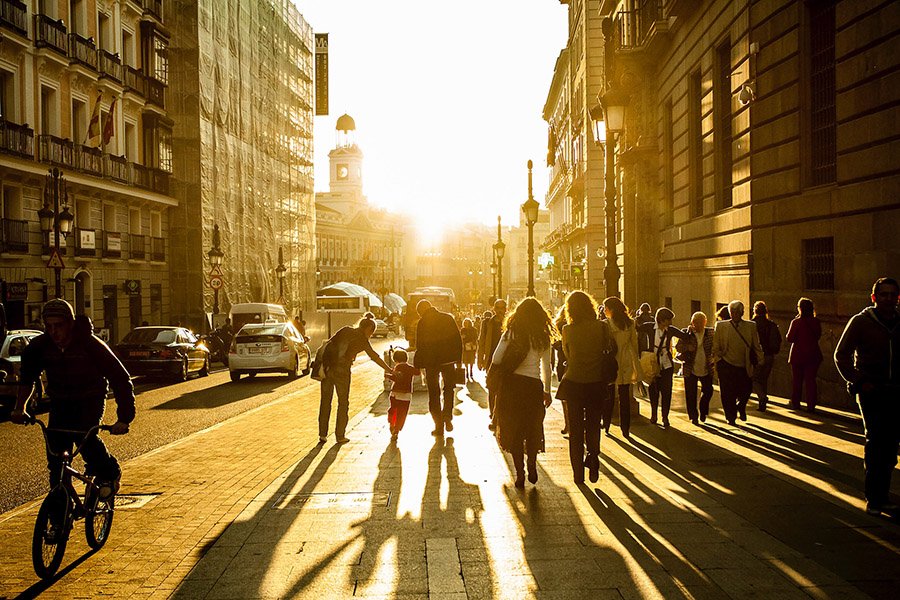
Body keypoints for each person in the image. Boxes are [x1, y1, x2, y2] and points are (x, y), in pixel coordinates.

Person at [11, 300, 134, 511]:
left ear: (70, 324)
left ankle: (110, 473)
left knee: (85, 437)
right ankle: (59, 515)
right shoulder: (40, 347)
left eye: (58, 325)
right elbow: (27, 378)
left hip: (90, 398)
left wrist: (123, 418)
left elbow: (120, 379)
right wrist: (19, 407)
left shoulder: (90, 345)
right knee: (56, 458)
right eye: (48, 326)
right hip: (60, 400)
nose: (53, 332)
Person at [834, 277, 900, 516]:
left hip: (897, 392)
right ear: (874, 298)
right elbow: (841, 356)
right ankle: (875, 498)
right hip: (873, 393)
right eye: (884, 294)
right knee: (876, 443)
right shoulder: (861, 322)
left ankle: (883, 494)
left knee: (891, 447)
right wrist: (861, 381)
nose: (889, 299)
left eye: (893, 295)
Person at [491, 298, 555, 488]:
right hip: (533, 387)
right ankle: (532, 464)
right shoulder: (542, 336)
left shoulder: (511, 332)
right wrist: (547, 391)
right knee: (532, 428)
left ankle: (520, 473)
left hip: (512, 387)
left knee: (515, 430)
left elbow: (496, 358)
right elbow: (547, 368)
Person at [559, 291, 615, 484]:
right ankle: (593, 457)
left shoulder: (567, 329)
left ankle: (577, 475)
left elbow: (568, 355)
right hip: (595, 383)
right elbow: (607, 349)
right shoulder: (602, 327)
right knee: (593, 425)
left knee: (575, 429)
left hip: (573, 383)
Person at [318, 317, 391, 444]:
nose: (371, 335)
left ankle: (322, 434)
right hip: (342, 371)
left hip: (328, 369)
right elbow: (374, 356)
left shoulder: (345, 330)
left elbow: (329, 344)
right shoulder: (362, 339)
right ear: (368, 329)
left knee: (325, 401)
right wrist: (389, 369)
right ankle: (340, 436)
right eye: (371, 332)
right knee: (343, 403)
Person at [413, 300, 463, 437]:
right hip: (448, 361)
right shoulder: (448, 318)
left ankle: (438, 425)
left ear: (421, 311)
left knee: (434, 393)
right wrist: (459, 360)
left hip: (431, 364)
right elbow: (457, 339)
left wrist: (419, 364)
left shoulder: (423, 322)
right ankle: (447, 416)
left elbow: (420, 345)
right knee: (449, 389)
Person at [637, 307, 689, 429]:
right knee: (653, 390)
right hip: (652, 363)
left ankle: (665, 417)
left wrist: (690, 330)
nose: (670, 322)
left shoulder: (670, 330)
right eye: (668, 320)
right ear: (662, 320)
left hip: (666, 364)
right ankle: (654, 414)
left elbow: (684, 336)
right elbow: (637, 328)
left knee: (667, 391)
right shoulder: (650, 327)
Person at [712, 300, 762, 425]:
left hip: (743, 365)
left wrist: (760, 359)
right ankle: (730, 416)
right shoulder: (721, 326)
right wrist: (718, 359)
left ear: (742, 312)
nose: (734, 314)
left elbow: (756, 345)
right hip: (726, 364)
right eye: (732, 312)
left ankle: (741, 406)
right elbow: (715, 345)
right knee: (727, 393)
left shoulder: (751, 326)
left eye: (737, 312)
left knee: (746, 390)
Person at [603, 297, 641, 438]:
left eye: (606, 307)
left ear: (611, 309)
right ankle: (626, 427)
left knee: (609, 394)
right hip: (626, 360)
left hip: (611, 361)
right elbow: (634, 344)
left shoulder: (606, 324)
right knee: (624, 396)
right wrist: (635, 362)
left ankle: (606, 423)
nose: (605, 310)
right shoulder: (630, 324)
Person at [675, 311, 715, 425]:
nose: (697, 325)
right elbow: (678, 347)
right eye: (695, 322)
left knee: (708, 390)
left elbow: (716, 345)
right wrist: (687, 347)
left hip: (706, 367)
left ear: (705, 322)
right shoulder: (686, 333)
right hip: (690, 368)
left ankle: (703, 409)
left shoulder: (710, 333)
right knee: (691, 393)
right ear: (692, 322)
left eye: (700, 322)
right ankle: (693, 416)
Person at [786, 297, 823, 412]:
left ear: (800, 309)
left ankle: (796, 403)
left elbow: (789, 338)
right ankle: (811, 404)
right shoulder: (816, 322)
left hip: (798, 355)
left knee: (797, 381)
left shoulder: (796, 322)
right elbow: (818, 335)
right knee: (811, 380)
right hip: (813, 354)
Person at [479, 300, 507, 422]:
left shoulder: (510, 323)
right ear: (494, 309)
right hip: (491, 359)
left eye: (502, 307)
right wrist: (480, 359)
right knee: (491, 387)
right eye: (498, 307)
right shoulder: (487, 323)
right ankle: (492, 413)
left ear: (506, 309)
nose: (500, 310)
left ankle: (500, 412)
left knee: (504, 388)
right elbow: (482, 341)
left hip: (506, 360)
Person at [752, 301, 782, 411]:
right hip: (769, 356)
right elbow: (778, 340)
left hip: (756, 356)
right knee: (763, 379)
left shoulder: (752, 324)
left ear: (755, 311)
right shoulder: (771, 325)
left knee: (754, 379)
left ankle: (762, 397)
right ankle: (762, 404)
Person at [386, 348, 419, 442]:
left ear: (395, 360)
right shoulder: (410, 368)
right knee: (402, 413)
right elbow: (417, 372)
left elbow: (398, 378)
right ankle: (396, 430)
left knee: (393, 409)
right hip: (406, 395)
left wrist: (388, 376)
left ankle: (392, 423)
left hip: (396, 393)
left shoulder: (398, 367)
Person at [551, 308, 570, 436]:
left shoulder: (559, 325)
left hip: (563, 363)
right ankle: (570, 423)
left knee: (565, 397)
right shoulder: (562, 326)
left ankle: (568, 423)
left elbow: (554, 344)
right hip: (565, 362)